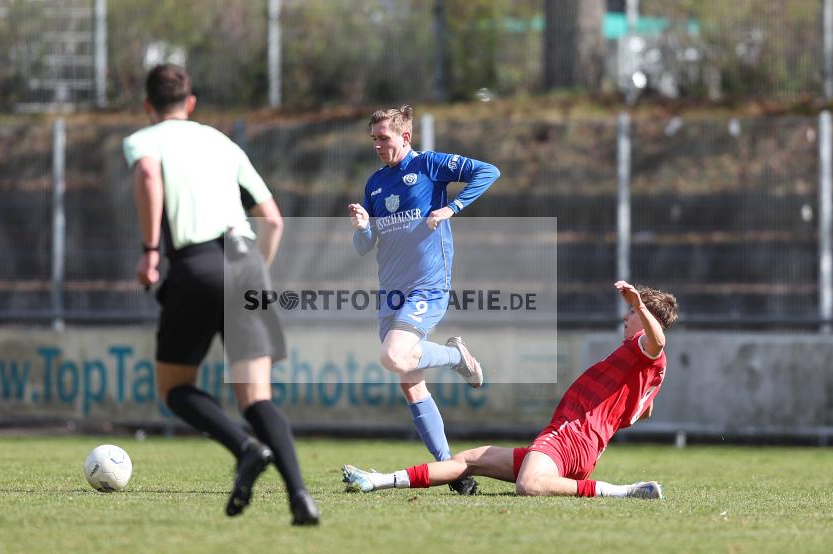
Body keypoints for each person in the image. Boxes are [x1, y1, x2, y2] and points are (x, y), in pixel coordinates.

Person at [124, 63, 319, 525]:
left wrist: (151, 252)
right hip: (247, 262)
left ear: (148, 106)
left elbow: (149, 178)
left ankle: (245, 448)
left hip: (197, 264)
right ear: (191, 103)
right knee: (257, 397)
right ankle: (301, 499)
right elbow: (273, 220)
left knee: (175, 388)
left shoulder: (145, 140)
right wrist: (255, 275)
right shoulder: (223, 142)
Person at [342, 281, 678, 500]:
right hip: (577, 444)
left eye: (632, 312)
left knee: (529, 486)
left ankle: (625, 492)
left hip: (569, 437)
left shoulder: (644, 348)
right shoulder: (650, 372)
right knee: (470, 459)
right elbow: (642, 412)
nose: (627, 316)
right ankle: (379, 481)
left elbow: (657, 341)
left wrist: (640, 303)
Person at [348, 105, 500, 496]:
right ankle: (454, 471)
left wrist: (452, 208)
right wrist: (363, 227)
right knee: (410, 383)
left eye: (385, 138)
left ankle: (456, 357)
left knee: (394, 356)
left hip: (427, 285)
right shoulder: (376, 183)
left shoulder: (431, 166)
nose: (379, 145)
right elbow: (366, 247)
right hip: (392, 291)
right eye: (375, 139)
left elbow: (489, 171)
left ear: (405, 137)